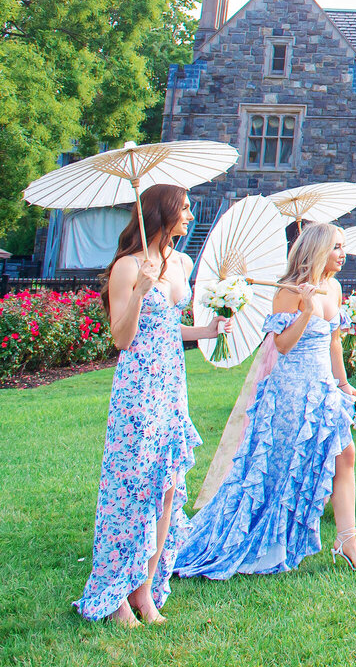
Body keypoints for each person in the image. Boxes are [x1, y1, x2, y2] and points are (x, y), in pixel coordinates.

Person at [175, 223, 356, 577]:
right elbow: (282, 346)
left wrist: (343, 384)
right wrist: (307, 309)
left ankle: (347, 540)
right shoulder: (288, 291)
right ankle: (267, 537)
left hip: (324, 389)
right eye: (336, 248)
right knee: (281, 469)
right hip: (291, 391)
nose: (343, 254)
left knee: (345, 456)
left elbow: (334, 342)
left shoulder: (335, 286)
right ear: (317, 250)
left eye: (343, 247)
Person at [74, 185, 231, 626]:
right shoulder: (127, 267)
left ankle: (146, 589)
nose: (189, 216)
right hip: (137, 387)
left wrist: (207, 331)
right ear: (161, 213)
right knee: (132, 488)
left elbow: (168, 330)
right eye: (183, 209)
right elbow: (122, 338)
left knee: (165, 489)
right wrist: (140, 291)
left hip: (171, 385)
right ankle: (116, 592)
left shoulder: (181, 263)